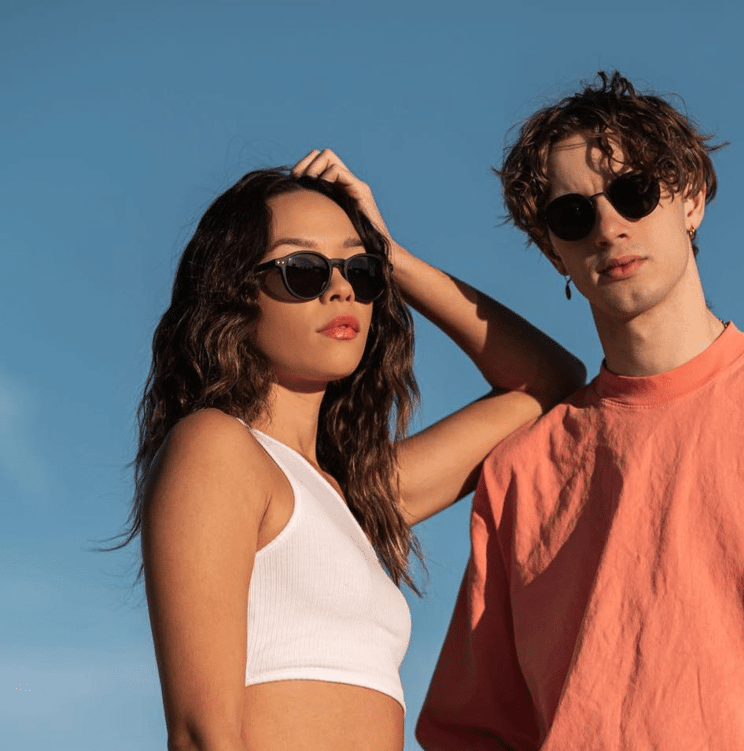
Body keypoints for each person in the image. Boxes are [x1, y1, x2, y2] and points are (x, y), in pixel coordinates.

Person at [417, 72, 744, 750]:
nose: (609, 226)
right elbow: (470, 727)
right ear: (553, 250)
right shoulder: (519, 473)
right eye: (574, 214)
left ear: (691, 199)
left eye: (634, 191)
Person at [123, 149, 585, 751]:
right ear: (235, 294)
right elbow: (198, 733)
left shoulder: (353, 496)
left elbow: (550, 386)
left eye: (360, 272)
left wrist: (395, 257)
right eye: (304, 270)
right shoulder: (215, 448)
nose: (341, 288)